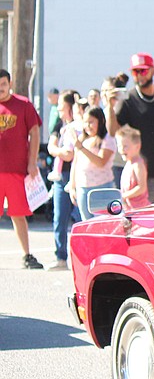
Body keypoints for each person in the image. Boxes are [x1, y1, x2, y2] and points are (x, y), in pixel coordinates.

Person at [103, 53, 154, 203]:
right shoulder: (128, 100)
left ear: (153, 70)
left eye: (143, 71)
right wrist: (109, 106)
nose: (140, 75)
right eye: (135, 71)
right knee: (150, 222)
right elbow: (113, 131)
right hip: (148, 175)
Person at [0, 68, 44, 269]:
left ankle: (27, 255)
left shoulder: (23, 104)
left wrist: (32, 161)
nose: (0, 88)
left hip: (17, 170)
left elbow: (34, 133)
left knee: (19, 214)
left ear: (10, 84)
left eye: (3, 84)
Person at [46, 91, 81, 268]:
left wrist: (59, 151)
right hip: (60, 177)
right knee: (59, 218)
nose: (59, 109)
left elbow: (70, 154)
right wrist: (61, 152)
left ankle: (82, 259)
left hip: (77, 176)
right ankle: (60, 257)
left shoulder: (79, 126)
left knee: (80, 219)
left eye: (61, 106)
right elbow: (54, 148)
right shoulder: (59, 125)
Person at [68, 107, 117, 221]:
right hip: (83, 188)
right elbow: (76, 163)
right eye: (85, 122)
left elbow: (101, 162)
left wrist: (81, 148)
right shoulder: (83, 139)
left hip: (102, 188)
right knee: (87, 223)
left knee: (103, 224)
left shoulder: (107, 139)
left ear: (100, 121)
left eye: (91, 122)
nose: (88, 125)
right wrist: (72, 186)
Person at [115, 126, 150, 211]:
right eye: (119, 146)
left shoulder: (138, 164)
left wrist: (123, 196)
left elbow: (142, 188)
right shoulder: (128, 164)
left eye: (125, 146)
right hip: (130, 209)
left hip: (140, 209)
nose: (121, 149)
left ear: (137, 147)